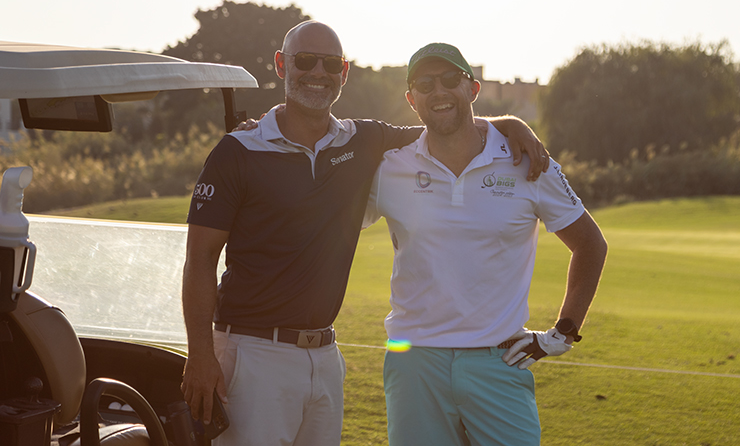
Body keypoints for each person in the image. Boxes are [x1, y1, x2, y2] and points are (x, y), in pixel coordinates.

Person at [180, 22, 549, 446]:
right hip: (252, 353)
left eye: (330, 64)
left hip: (324, 357)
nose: (317, 72)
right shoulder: (238, 150)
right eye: (305, 61)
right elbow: (200, 261)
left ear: (344, 72)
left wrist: (510, 123)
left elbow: (447, 123)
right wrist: (200, 354)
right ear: (282, 65)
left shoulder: (363, 140)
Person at [363, 43, 608, 446]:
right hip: (414, 362)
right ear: (411, 99)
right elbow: (326, 220)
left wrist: (563, 332)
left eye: (450, 79)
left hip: (499, 361)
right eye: (425, 84)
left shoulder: (528, 160)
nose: (438, 91)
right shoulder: (390, 167)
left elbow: (590, 244)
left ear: (473, 88)